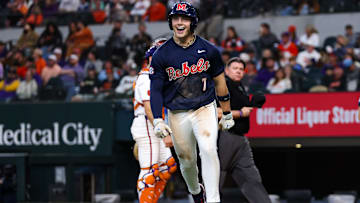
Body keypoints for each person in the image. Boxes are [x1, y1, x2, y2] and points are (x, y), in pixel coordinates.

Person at [149, 2, 234, 203]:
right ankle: (196, 193)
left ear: (192, 22)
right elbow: (155, 90)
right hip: (177, 113)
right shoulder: (162, 54)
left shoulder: (209, 50)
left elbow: (220, 82)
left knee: (208, 149)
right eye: (175, 18)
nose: (179, 23)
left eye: (184, 18)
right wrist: (158, 120)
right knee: (186, 162)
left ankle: (213, 200)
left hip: (204, 107)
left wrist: (227, 112)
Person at [218, 57, 271, 203]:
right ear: (226, 70)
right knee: (215, 180)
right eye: (235, 68)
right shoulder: (222, 86)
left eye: (241, 69)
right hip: (224, 136)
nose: (238, 71)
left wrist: (253, 103)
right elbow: (214, 112)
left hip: (241, 139)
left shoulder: (239, 87)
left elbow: (243, 107)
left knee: (252, 178)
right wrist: (240, 113)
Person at [131, 38, 177, 202]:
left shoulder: (158, 77)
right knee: (149, 172)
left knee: (167, 167)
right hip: (147, 123)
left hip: (155, 124)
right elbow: (149, 109)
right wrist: (164, 133)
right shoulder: (146, 77)